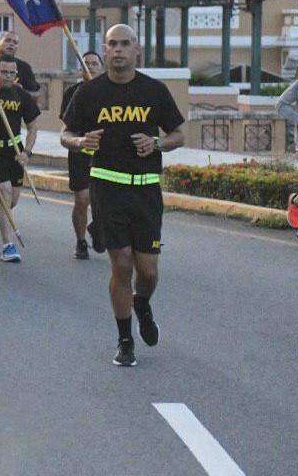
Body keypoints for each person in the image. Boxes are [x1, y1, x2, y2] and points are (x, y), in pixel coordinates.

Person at [61, 24, 185, 368]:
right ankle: (125, 339)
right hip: (107, 189)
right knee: (122, 263)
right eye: (112, 44)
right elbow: (65, 133)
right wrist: (79, 142)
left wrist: (157, 143)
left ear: (137, 50)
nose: (118, 50)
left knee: (148, 271)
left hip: (146, 190)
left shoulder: (154, 91)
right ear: (104, 49)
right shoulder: (89, 93)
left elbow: (178, 133)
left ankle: (142, 303)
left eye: (124, 44)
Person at [0, 55, 41, 263]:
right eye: (3, 72)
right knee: (4, 193)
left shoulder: (20, 94)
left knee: (11, 201)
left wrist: (27, 152)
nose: (8, 76)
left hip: (14, 150)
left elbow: (33, 127)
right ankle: (7, 245)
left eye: (12, 73)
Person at [61, 51, 106, 259]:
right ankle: (80, 241)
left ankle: (98, 225)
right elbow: (66, 127)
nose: (90, 67)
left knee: (104, 198)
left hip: (106, 153)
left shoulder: (110, 91)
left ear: (101, 66)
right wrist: (78, 141)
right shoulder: (72, 93)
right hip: (81, 151)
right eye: (86, 63)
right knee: (82, 198)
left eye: (94, 63)